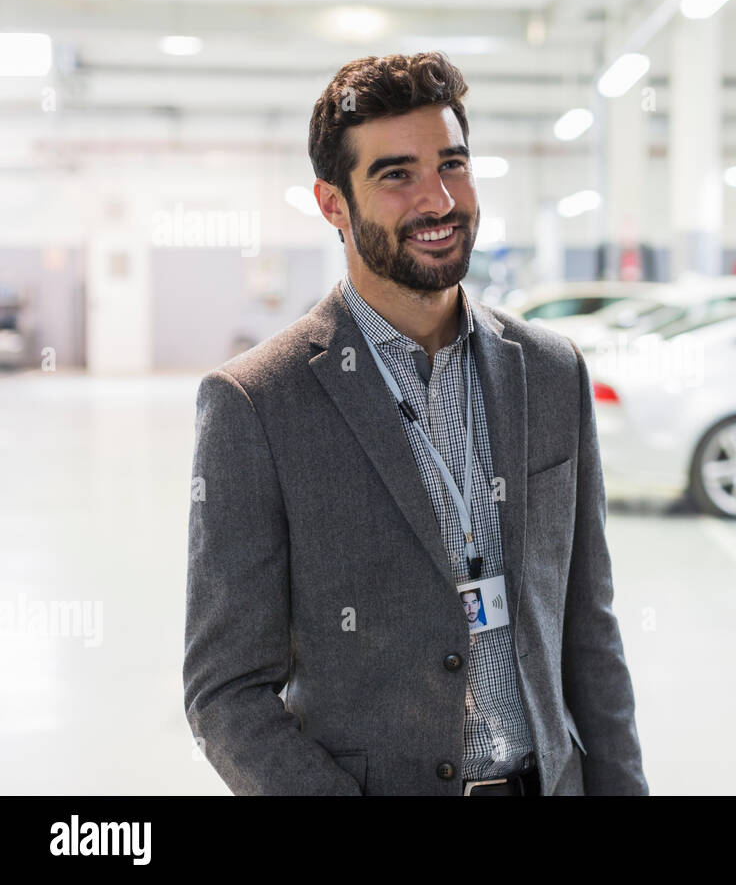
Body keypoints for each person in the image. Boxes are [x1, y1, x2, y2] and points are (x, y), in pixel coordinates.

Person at [182, 52, 648, 797]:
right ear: (333, 204)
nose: (438, 200)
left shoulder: (552, 371)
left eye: (453, 165)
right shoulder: (257, 404)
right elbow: (225, 694)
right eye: (396, 175)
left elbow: (589, 632)